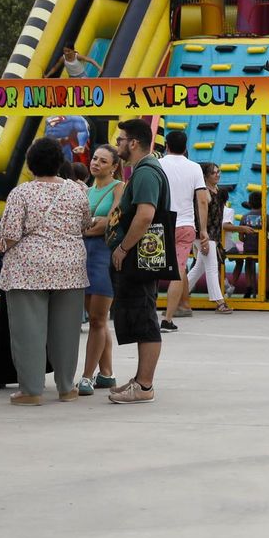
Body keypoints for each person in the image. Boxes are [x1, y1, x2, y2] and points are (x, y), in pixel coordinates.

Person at [0, 138, 90, 405]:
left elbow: (10, 235)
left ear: (31, 164)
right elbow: (85, 225)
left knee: (28, 331)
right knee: (67, 331)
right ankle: (67, 387)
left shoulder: (21, 193)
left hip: (28, 268)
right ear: (60, 163)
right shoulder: (76, 191)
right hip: (70, 266)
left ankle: (31, 390)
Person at [105, 119, 168, 403]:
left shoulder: (145, 172)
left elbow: (145, 215)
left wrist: (123, 249)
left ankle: (144, 386)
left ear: (133, 143)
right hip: (140, 256)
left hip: (139, 257)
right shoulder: (144, 170)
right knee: (140, 315)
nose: (118, 144)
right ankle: (141, 379)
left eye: (120, 140)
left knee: (145, 318)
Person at [78, 144, 121, 395]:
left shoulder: (119, 188)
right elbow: (83, 223)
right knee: (97, 320)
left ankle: (86, 376)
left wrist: (91, 226)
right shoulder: (86, 189)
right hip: (84, 255)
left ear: (114, 166)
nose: (96, 163)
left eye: (103, 161)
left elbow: (111, 222)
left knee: (97, 319)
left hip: (104, 256)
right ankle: (106, 374)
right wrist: (93, 225)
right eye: (95, 158)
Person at [156, 129, 209, 331]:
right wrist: (202, 230)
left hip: (160, 223)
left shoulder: (158, 165)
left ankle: (148, 313)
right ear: (186, 147)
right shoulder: (194, 168)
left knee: (152, 268)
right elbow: (202, 200)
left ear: (166, 146)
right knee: (179, 270)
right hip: (185, 224)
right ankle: (168, 318)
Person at [186, 163, 235, 316]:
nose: (217, 175)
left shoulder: (217, 191)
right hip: (204, 233)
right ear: (206, 176)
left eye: (218, 172)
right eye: (214, 173)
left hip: (212, 233)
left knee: (199, 268)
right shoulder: (203, 192)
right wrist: (203, 233)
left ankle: (179, 293)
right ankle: (219, 301)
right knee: (212, 267)